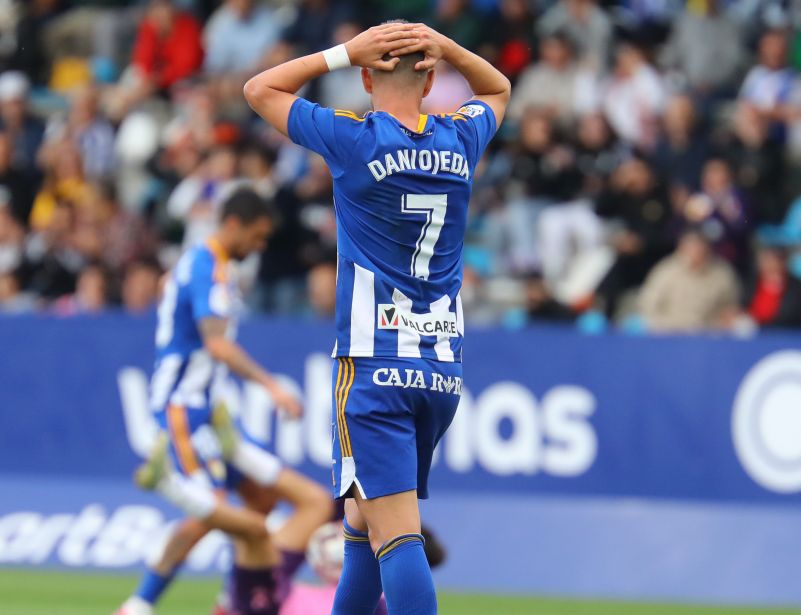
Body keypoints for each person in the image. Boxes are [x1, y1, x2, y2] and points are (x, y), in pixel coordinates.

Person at [243, 20, 509, 615]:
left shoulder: (356, 139)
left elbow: (260, 90)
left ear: (365, 77)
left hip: (373, 364)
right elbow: (497, 92)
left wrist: (339, 52)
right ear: (433, 77)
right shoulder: (458, 139)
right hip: (440, 368)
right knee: (361, 522)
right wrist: (453, 48)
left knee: (396, 532)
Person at [123, 187, 305, 615]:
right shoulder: (208, 267)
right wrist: (272, 386)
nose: (259, 247)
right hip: (182, 406)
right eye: (257, 237)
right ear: (234, 224)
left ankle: (214, 600)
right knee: (220, 513)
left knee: (255, 502)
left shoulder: (201, 263)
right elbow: (217, 346)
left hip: (208, 407)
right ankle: (143, 603)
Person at [639, 228, 740, 332]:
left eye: (699, 246)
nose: (695, 251)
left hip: (709, 333)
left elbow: (730, 307)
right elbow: (648, 306)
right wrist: (661, 327)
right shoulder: (665, 271)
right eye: (690, 247)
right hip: (671, 333)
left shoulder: (722, 273)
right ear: (681, 248)